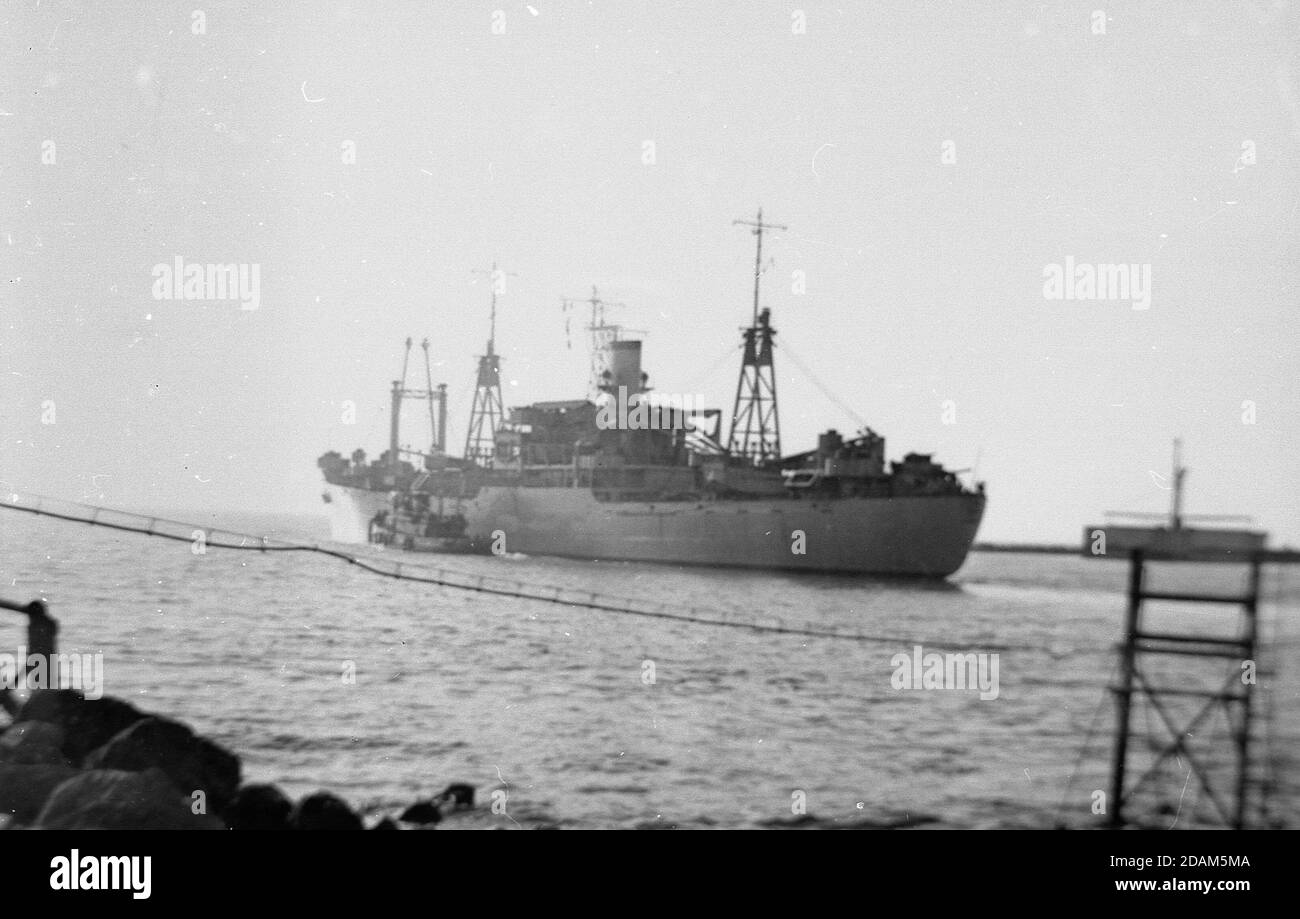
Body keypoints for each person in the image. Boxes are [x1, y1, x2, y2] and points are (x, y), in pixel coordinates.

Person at [1, 600, 58, 718]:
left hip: (44, 677)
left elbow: (35, 661)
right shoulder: (45, 625)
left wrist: (11, 685)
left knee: (37, 707)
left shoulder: (42, 630)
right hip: (44, 677)